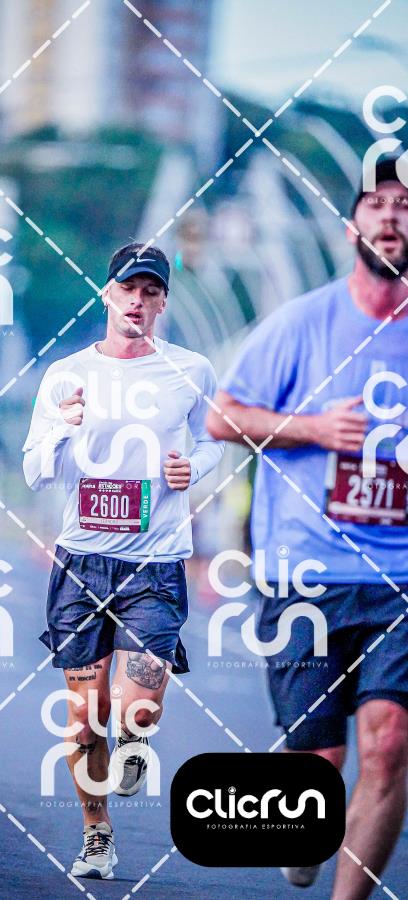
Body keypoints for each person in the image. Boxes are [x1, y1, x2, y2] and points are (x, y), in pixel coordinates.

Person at [207, 159, 408, 899]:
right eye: (376, 205)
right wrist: (315, 428)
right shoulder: (303, 322)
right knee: (318, 760)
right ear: (351, 227)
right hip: (306, 572)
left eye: (405, 206)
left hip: (400, 578)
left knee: (388, 742)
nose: (391, 218)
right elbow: (221, 416)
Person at [23, 242, 224, 879]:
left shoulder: (190, 370)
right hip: (81, 562)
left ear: (163, 302)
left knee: (139, 703)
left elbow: (215, 441)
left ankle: (136, 739)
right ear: (107, 293)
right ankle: (97, 836)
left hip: (154, 562)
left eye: (151, 291)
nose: (138, 301)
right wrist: (64, 426)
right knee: (86, 720)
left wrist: (193, 468)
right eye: (128, 289)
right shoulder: (66, 375)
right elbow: (35, 472)